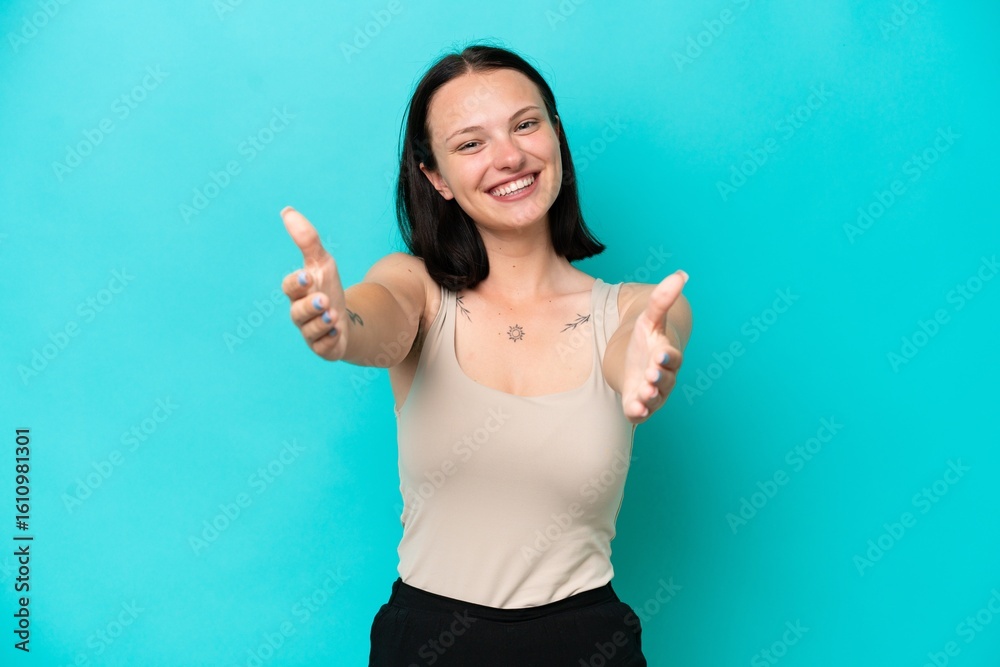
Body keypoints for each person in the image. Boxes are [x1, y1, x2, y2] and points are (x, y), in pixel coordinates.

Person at [280, 42, 692, 667]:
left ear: (556, 138)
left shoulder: (640, 308)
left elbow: (633, 350)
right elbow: (378, 321)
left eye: (526, 125)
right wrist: (342, 325)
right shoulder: (416, 287)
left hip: (586, 642)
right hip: (429, 642)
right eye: (470, 143)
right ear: (436, 177)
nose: (508, 156)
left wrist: (642, 367)